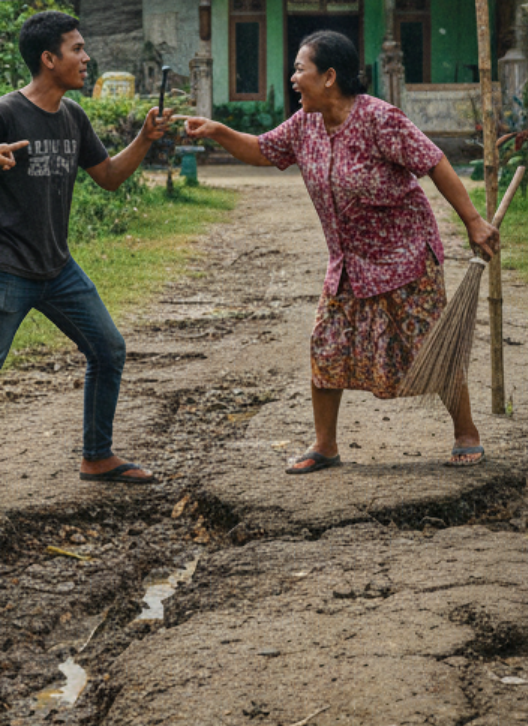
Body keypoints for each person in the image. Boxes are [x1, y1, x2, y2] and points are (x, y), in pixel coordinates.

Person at [183, 31, 499, 473]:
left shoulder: (378, 119)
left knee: (429, 344)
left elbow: (433, 161)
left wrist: (473, 221)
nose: (293, 78)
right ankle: (325, 446)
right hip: (349, 263)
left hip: (404, 256)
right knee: (327, 346)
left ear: (329, 77)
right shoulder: (304, 125)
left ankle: (466, 433)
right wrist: (216, 130)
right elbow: (261, 150)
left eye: (300, 69)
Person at [0, 11, 171, 483]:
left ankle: (97, 456)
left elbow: (111, 177)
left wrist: (144, 138)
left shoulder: (73, 117)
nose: (86, 57)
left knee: (108, 349)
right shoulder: (6, 112)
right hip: (8, 270)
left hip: (57, 270)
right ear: (48, 59)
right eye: (77, 49)